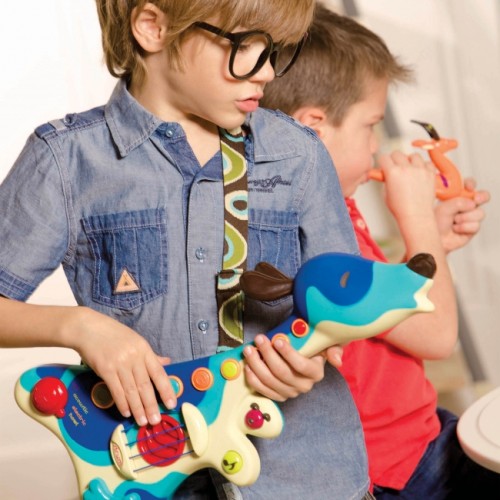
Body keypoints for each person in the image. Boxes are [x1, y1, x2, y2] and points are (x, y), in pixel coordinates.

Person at [0, 1, 373, 498]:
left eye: (275, 50)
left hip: (306, 477)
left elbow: (342, 310)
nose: (265, 72)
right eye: (246, 45)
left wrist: (311, 361)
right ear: (153, 27)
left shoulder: (298, 153)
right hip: (152, 475)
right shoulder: (67, 161)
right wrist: (79, 327)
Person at [261, 3, 497, 498]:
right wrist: (416, 220)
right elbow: (436, 335)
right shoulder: (316, 233)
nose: (375, 146)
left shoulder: (330, 207)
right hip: (396, 469)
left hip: (416, 432)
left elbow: (382, 311)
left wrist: (433, 243)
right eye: (370, 126)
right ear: (314, 127)